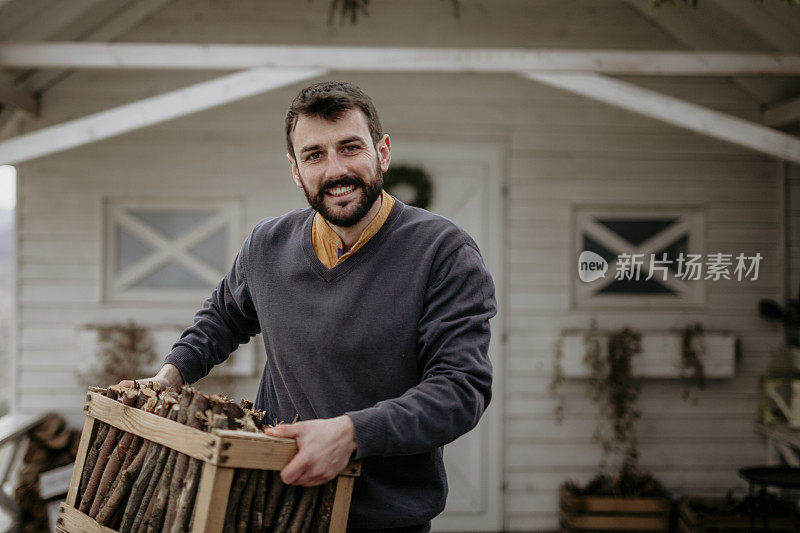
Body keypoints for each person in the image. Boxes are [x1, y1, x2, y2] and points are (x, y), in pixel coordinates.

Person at [121, 81, 496, 532]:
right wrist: (169, 375)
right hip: (266, 509)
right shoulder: (267, 245)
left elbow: (460, 389)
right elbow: (221, 318)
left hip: (380, 521)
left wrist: (353, 433)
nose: (335, 169)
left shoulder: (443, 251)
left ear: (383, 152)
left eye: (350, 147)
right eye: (315, 155)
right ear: (296, 170)